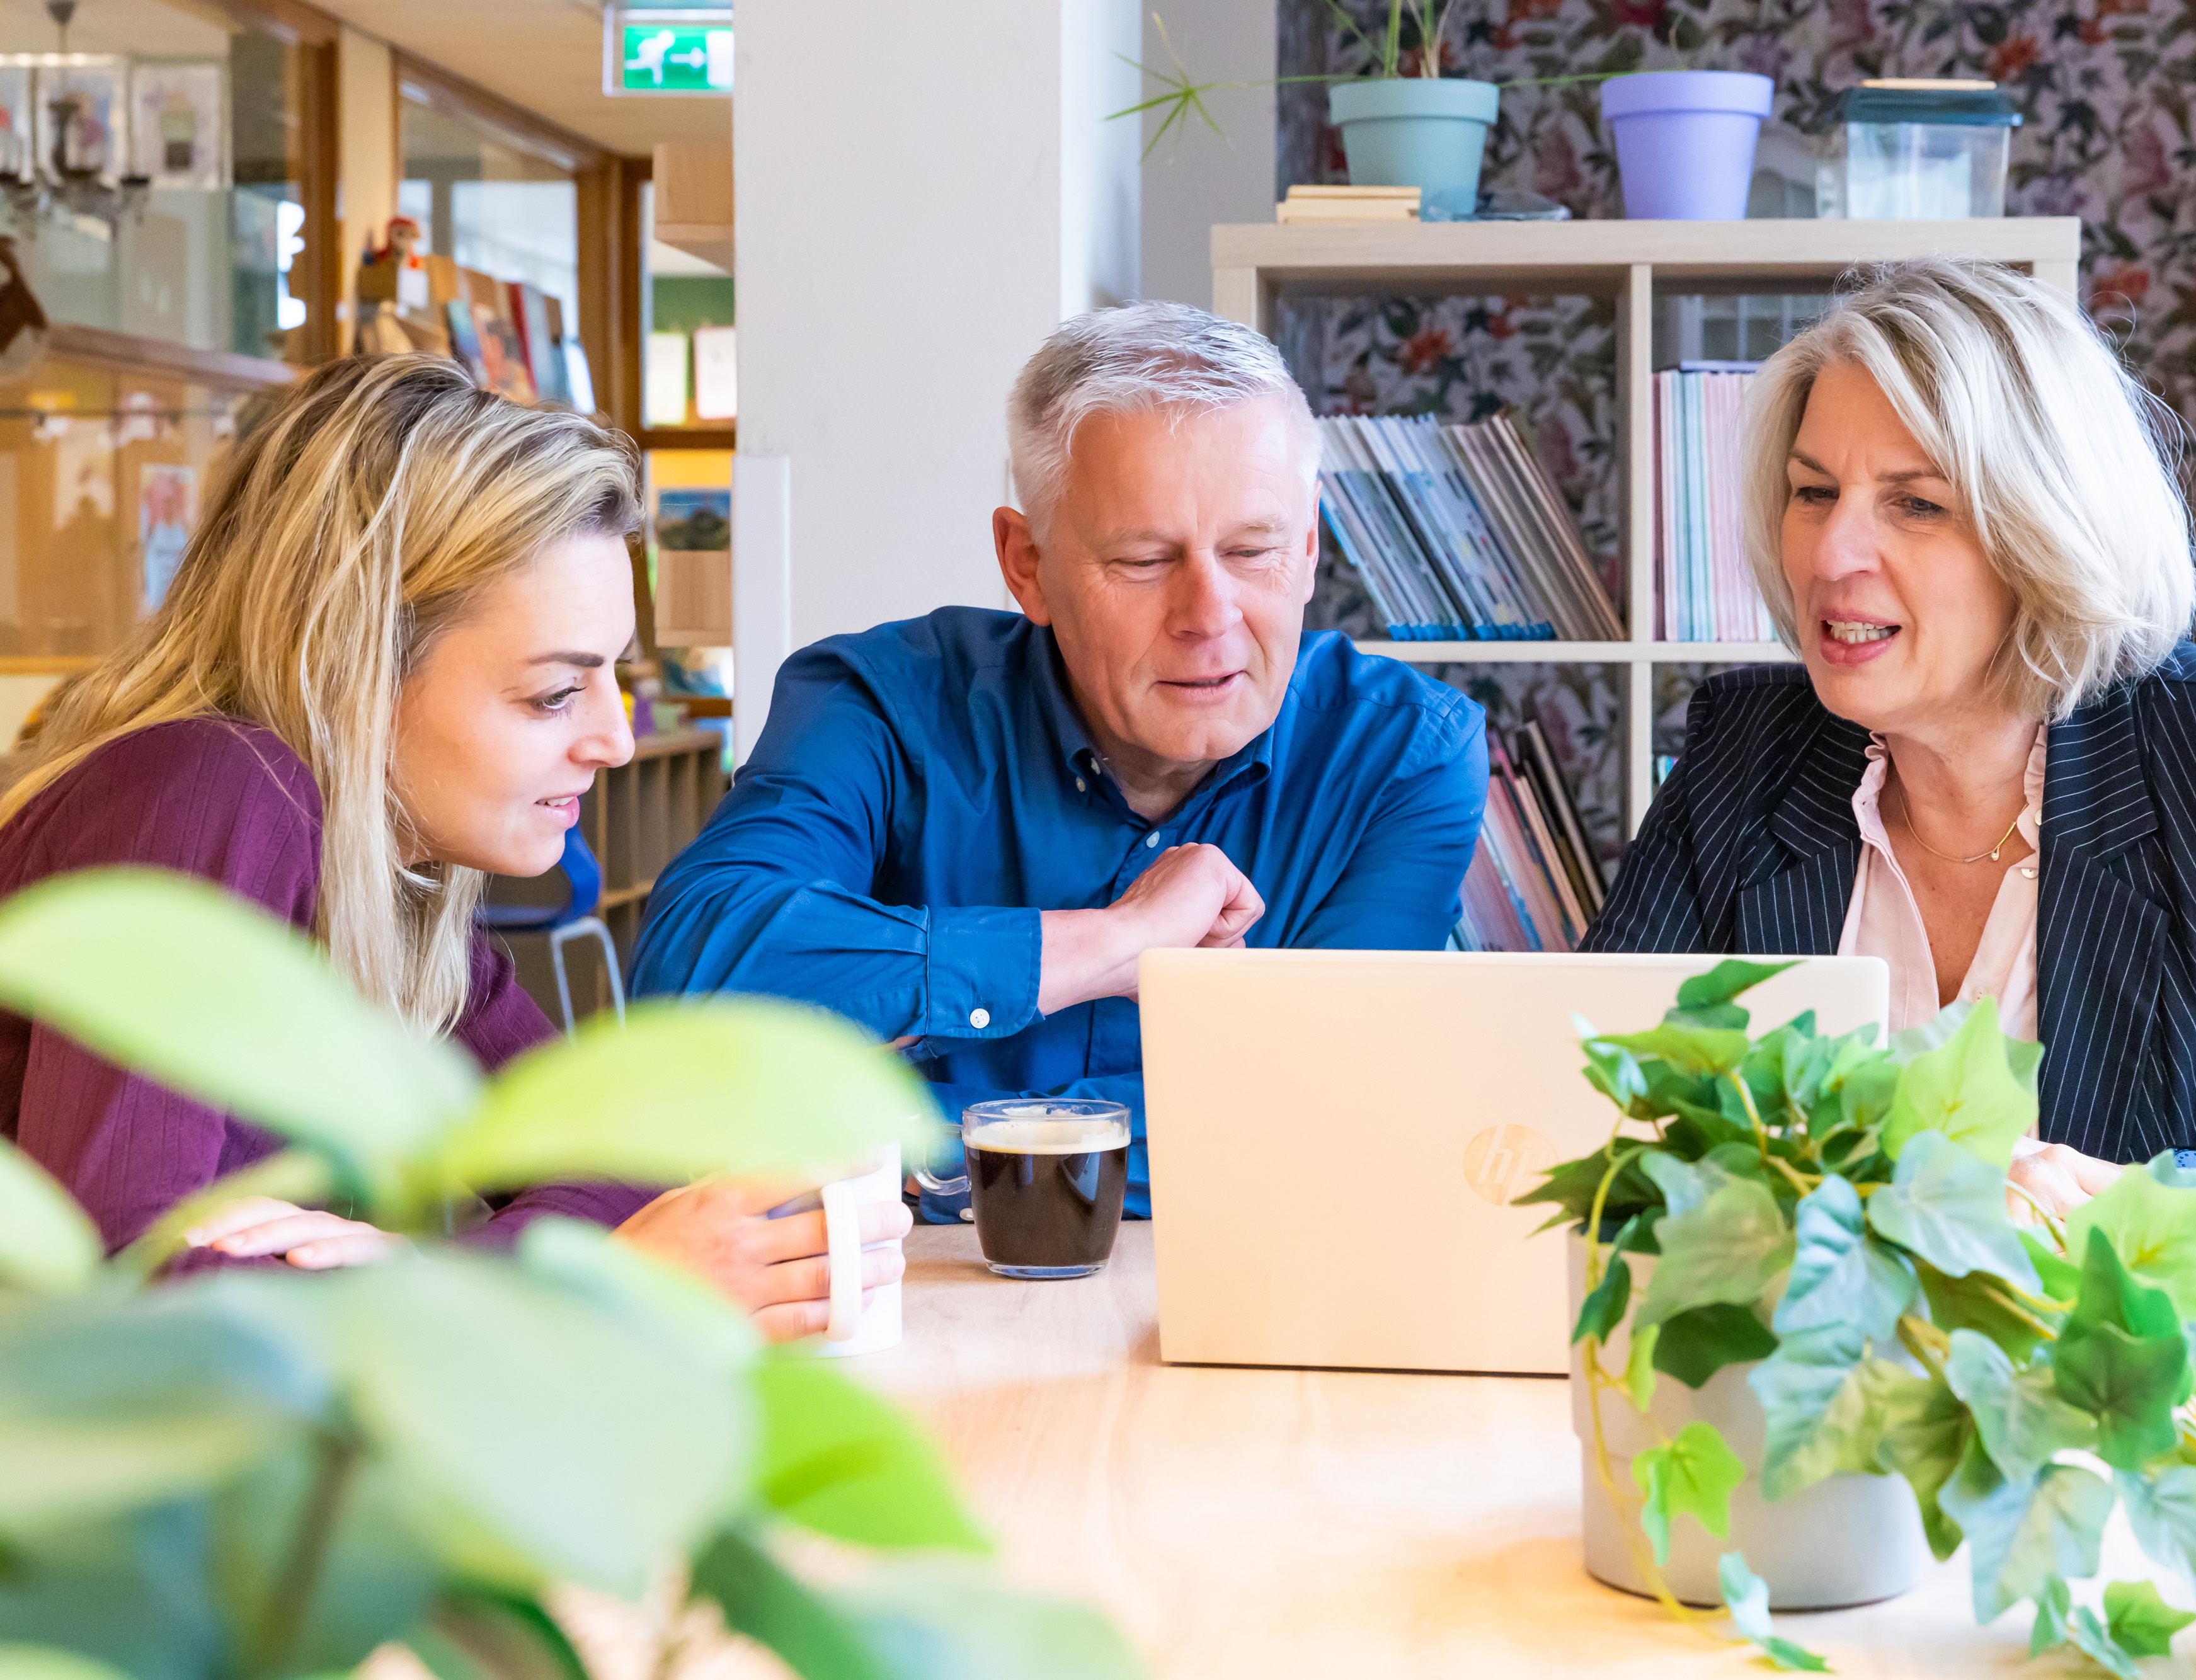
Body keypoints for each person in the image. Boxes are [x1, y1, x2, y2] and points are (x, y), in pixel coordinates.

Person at [1585, 258, 2196, 1271]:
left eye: (1917, 505)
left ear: (2046, 536)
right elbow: (1576, 1110)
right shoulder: (1746, 747)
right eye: (1814, 492)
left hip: (2161, 1403)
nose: (1829, 553)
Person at [0, 356, 903, 1338]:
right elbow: (111, 1320)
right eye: (554, 692)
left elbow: (615, 1163)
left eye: (610, 680)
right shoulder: (204, 792)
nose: (614, 738)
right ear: (355, 665)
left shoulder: (388, 878)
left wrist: (431, 1277)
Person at [629, 302, 1489, 1218]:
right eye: (1144, 559)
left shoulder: (1405, 755)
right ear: (1027, 563)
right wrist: (1117, 943)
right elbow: (691, 989)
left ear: (1311, 546)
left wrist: (910, 1145)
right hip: (892, 1317)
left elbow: (1317, 1131)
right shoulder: (877, 702)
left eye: (1253, 551)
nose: (1210, 614)